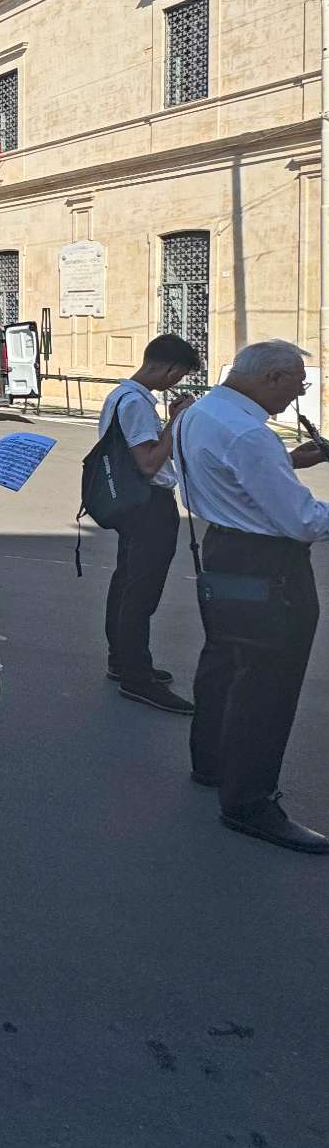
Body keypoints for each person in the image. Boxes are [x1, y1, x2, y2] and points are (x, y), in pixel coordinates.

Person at [173, 340, 329, 853]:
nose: (299, 393)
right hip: (270, 565)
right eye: (299, 383)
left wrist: (284, 467)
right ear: (274, 378)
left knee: (223, 660)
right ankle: (250, 802)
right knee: (268, 682)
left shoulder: (203, 412)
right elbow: (303, 521)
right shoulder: (249, 434)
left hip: (222, 547)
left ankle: (212, 763)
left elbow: (228, 476)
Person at [96, 334, 200, 712]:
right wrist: (177, 422)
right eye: (179, 375)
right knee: (141, 591)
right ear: (167, 368)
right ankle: (136, 678)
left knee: (126, 581)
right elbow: (149, 462)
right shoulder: (137, 403)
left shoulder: (120, 396)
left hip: (130, 503)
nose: (176, 384)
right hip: (149, 505)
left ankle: (122, 661)